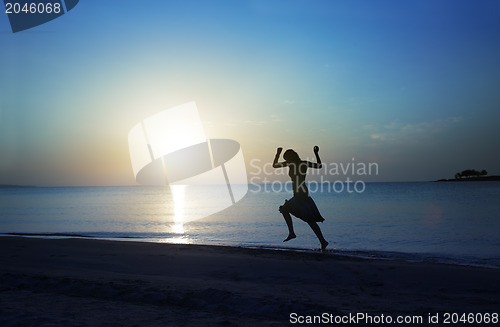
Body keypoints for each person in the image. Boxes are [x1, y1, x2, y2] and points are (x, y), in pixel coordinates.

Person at [273, 146, 328, 251]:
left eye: (286, 158)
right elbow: (275, 166)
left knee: (288, 211)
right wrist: (316, 153)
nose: (286, 161)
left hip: (301, 194)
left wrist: (278, 154)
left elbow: (319, 166)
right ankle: (322, 241)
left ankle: (293, 233)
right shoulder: (301, 163)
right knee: (308, 219)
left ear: (290, 158)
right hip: (300, 193)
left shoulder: (294, 163)